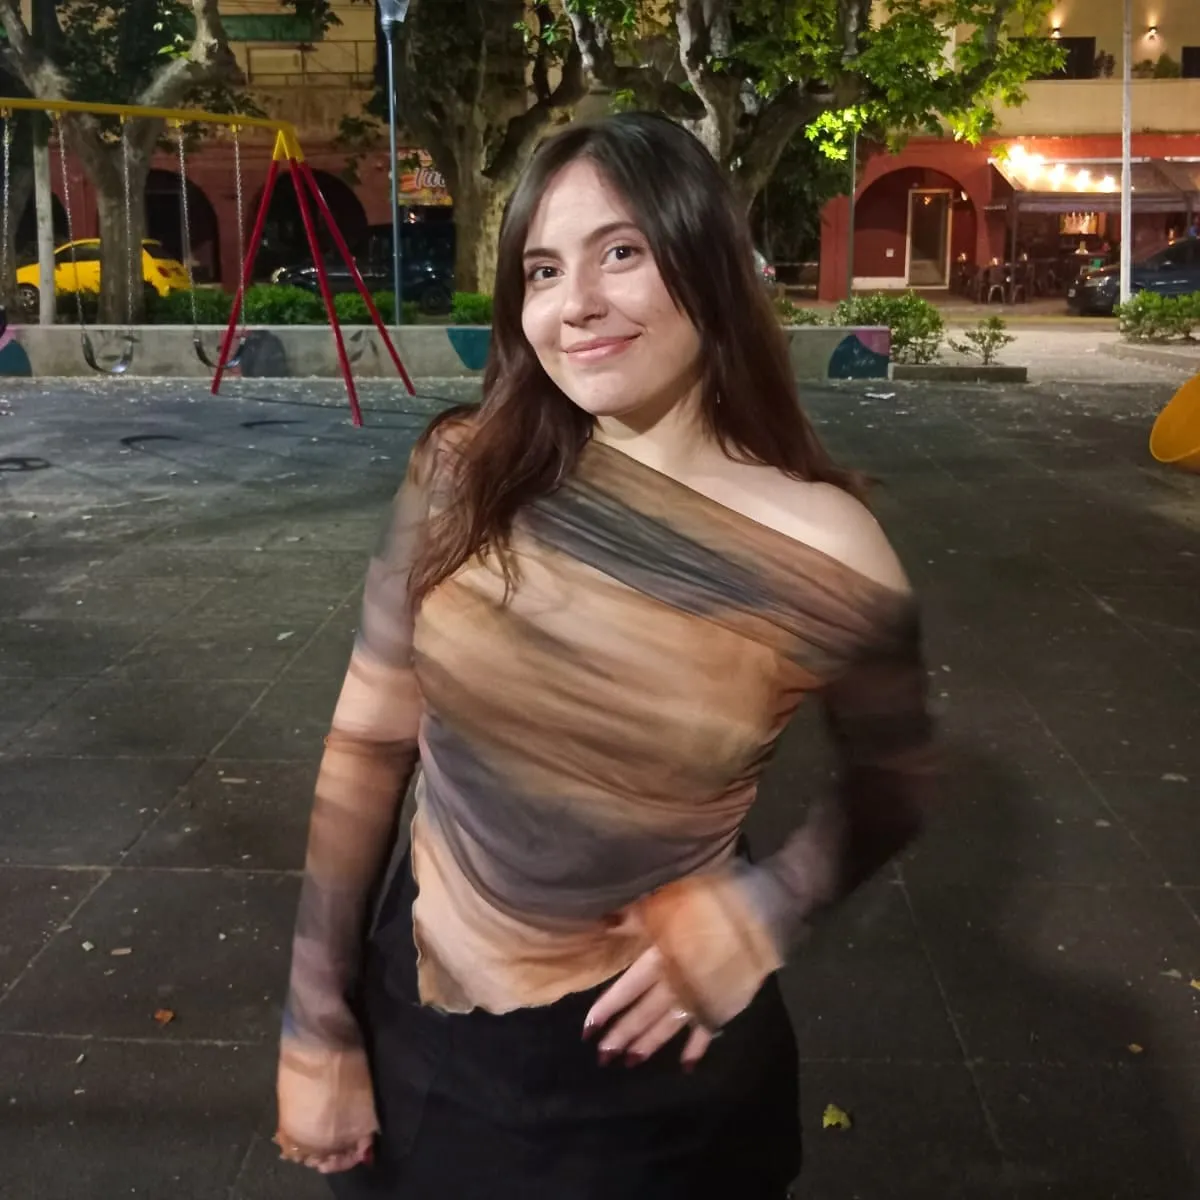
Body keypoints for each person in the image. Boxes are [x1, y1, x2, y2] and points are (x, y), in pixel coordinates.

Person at [274, 111, 939, 1199]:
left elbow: (896, 780)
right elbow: (367, 744)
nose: (574, 303)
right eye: (542, 270)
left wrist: (772, 905)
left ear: (707, 262)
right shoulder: (463, 474)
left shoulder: (827, 549)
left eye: (620, 252)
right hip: (423, 1034)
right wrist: (315, 1018)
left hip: (659, 1079)